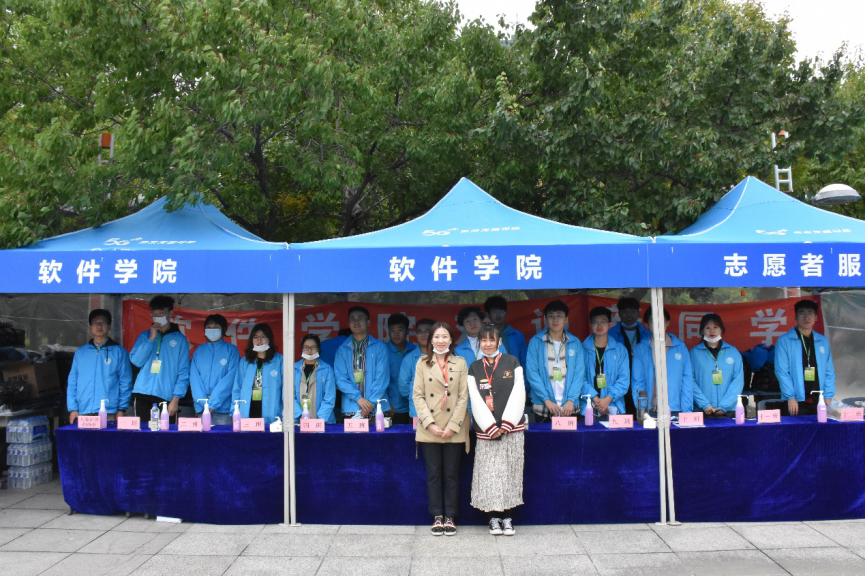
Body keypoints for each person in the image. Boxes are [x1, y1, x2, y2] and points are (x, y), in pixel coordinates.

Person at [467, 324, 525, 536]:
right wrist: (490, 426)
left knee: (510, 473)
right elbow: (475, 398)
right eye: (484, 340)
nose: (488, 344)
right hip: (487, 432)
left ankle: (508, 518)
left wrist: (508, 423)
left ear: (499, 341)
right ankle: (493, 519)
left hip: (511, 430)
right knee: (490, 475)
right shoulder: (474, 367)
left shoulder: (512, 362)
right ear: (479, 343)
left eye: (492, 340)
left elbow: (519, 392)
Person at [413, 322, 469, 536]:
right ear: (431, 340)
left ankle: (450, 517)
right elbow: (417, 395)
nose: (440, 340)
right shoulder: (422, 363)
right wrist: (430, 424)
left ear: (451, 340)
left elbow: (464, 396)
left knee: (452, 475)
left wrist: (453, 426)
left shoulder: (460, 362)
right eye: (436, 337)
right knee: (434, 475)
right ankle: (437, 515)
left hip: (454, 428)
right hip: (430, 428)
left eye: (445, 336)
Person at [129, 295, 190, 421]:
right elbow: (136, 361)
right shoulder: (145, 336)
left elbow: (184, 372)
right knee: (142, 431)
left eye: (161, 314)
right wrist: (151, 338)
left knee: (165, 432)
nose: (157, 317)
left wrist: (176, 398)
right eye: (154, 314)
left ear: (170, 314)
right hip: (142, 393)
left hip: (165, 395)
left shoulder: (180, 339)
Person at [67, 309, 133, 424]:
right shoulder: (81, 352)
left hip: (110, 411)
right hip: (84, 410)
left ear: (109, 326)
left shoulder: (119, 352)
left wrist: (122, 409)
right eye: (95, 323)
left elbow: (125, 381)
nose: (99, 326)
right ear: (90, 327)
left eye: (103, 323)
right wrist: (73, 408)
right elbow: (73, 382)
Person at [526, 300, 586, 423]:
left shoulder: (575, 342)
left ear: (566, 319)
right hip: (544, 406)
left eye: (559, 316)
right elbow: (532, 373)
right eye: (551, 316)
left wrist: (571, 400)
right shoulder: (536, 341)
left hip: (569, 406)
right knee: (545, 436)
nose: (555, 320)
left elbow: (579, 374)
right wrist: (546, 400)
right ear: (545, 319)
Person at [774, 300, 836, 416]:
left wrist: (828, 396)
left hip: (820, 400)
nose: (806, 317)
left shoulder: (822, 341)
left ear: (816, 317)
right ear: (795, 317)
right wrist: (791, 397)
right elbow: (781, 371)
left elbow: (829, 371)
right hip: (796, 401)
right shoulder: (784, 341)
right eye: (802, 313)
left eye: (810, 313)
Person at [631, 307, 694, 415]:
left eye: (661, 320)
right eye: (653, 321)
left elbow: (687, 379)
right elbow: (638, 381)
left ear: (667, 322)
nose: (657, 324)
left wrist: (686, 410)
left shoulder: (680, 347)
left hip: (675, 408)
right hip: (650, 409)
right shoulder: (641, 348)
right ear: (647, 325)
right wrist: (642, 409)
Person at [334, 306, 389, 421]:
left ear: (368, 322)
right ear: (349, 323)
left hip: (377, 408)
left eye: (360, 318)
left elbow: (382, 377)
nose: (356, 322)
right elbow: (340, 379)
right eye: (352, 319)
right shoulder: (342, 349)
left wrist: (371, 402)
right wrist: (359, 399)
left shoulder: (380, 347)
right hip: (351, 408)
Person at [690, 313, 744, 417]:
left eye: (715, 327)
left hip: (729, 410)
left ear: (721, 330)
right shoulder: (694, 353)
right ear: (702, 331)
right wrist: (704, 404)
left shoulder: (733, 352)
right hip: (702, 409)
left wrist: (725, 405)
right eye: (707, 328)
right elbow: (690, 381)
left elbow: (738, 381)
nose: (712, 331)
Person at [190, 314, 239, 426]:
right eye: (209, 327)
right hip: (202, 408)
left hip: (223, 408)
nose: (212, 330)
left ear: (223, 329)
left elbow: (230, 379)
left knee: (223, 436)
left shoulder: (231, 350)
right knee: (203, 437)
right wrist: (203, 403)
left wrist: (213, 403)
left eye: (216, 327)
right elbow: (194, 379)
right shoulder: (199, 350)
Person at [582, 307, 630, 418]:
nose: (599, 326)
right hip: (587, 407)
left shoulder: (620, 350)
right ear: (590, 324)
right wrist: (596, 399)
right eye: (595, 322)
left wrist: (607, 399)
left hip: (613, 407)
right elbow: (579, 378)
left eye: (603, 322)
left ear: (610, 324)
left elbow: (624, 379)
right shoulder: (582, 349)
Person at [232, 323, 284, 425]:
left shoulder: (280, 360)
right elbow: (237, 387)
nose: (259, 341)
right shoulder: (245, 361)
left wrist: (285, 411)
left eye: (263, 337)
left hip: (271, 411)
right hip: (248, 409)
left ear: (269, 339)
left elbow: (286, 389)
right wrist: (234, 410)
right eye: (255, 337)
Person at [608, 297, 650, 416]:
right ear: (619, 313)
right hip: (618, 383)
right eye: (625, 311)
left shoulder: (647, 334)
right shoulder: (610, 335)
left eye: (633, 311)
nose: (629, 315)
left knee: (642, 418)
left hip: (642, 383)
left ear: (639, 313)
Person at [399, 318, 436, 422]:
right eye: (420, 332)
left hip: (441, 412)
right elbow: (403, 387)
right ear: (416, 335)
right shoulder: (409, 358)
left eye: (427, 331)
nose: (423, 334)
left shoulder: (443, 356)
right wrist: (417, 397)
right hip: (417, 412)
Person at [294, 334, 337, 423]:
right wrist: (299, 414)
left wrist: (320, 419)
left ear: (318, 349)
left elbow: (330, 396)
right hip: (299, 420)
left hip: (322, 420)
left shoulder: (327, 369)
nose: (309, 350)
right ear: (302, 349)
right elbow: (288, 396)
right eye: (306, 347)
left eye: (313, 347)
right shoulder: (293, 369)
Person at [385, 313, 417, 424]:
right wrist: (386, 403)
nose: (396, 334)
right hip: (393, 408)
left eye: (400, 330)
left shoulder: (415, 350)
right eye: (392, 330)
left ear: (407, 331)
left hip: (416, 407)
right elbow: (379, 381)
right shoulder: (383, 352)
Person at [483, 296, 527, 367]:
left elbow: (525, 361)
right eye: (495, 312)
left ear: (506, 313)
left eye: (501, 311)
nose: (498, 315)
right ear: (488, 314)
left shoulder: (516, 335)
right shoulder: (483, 336)